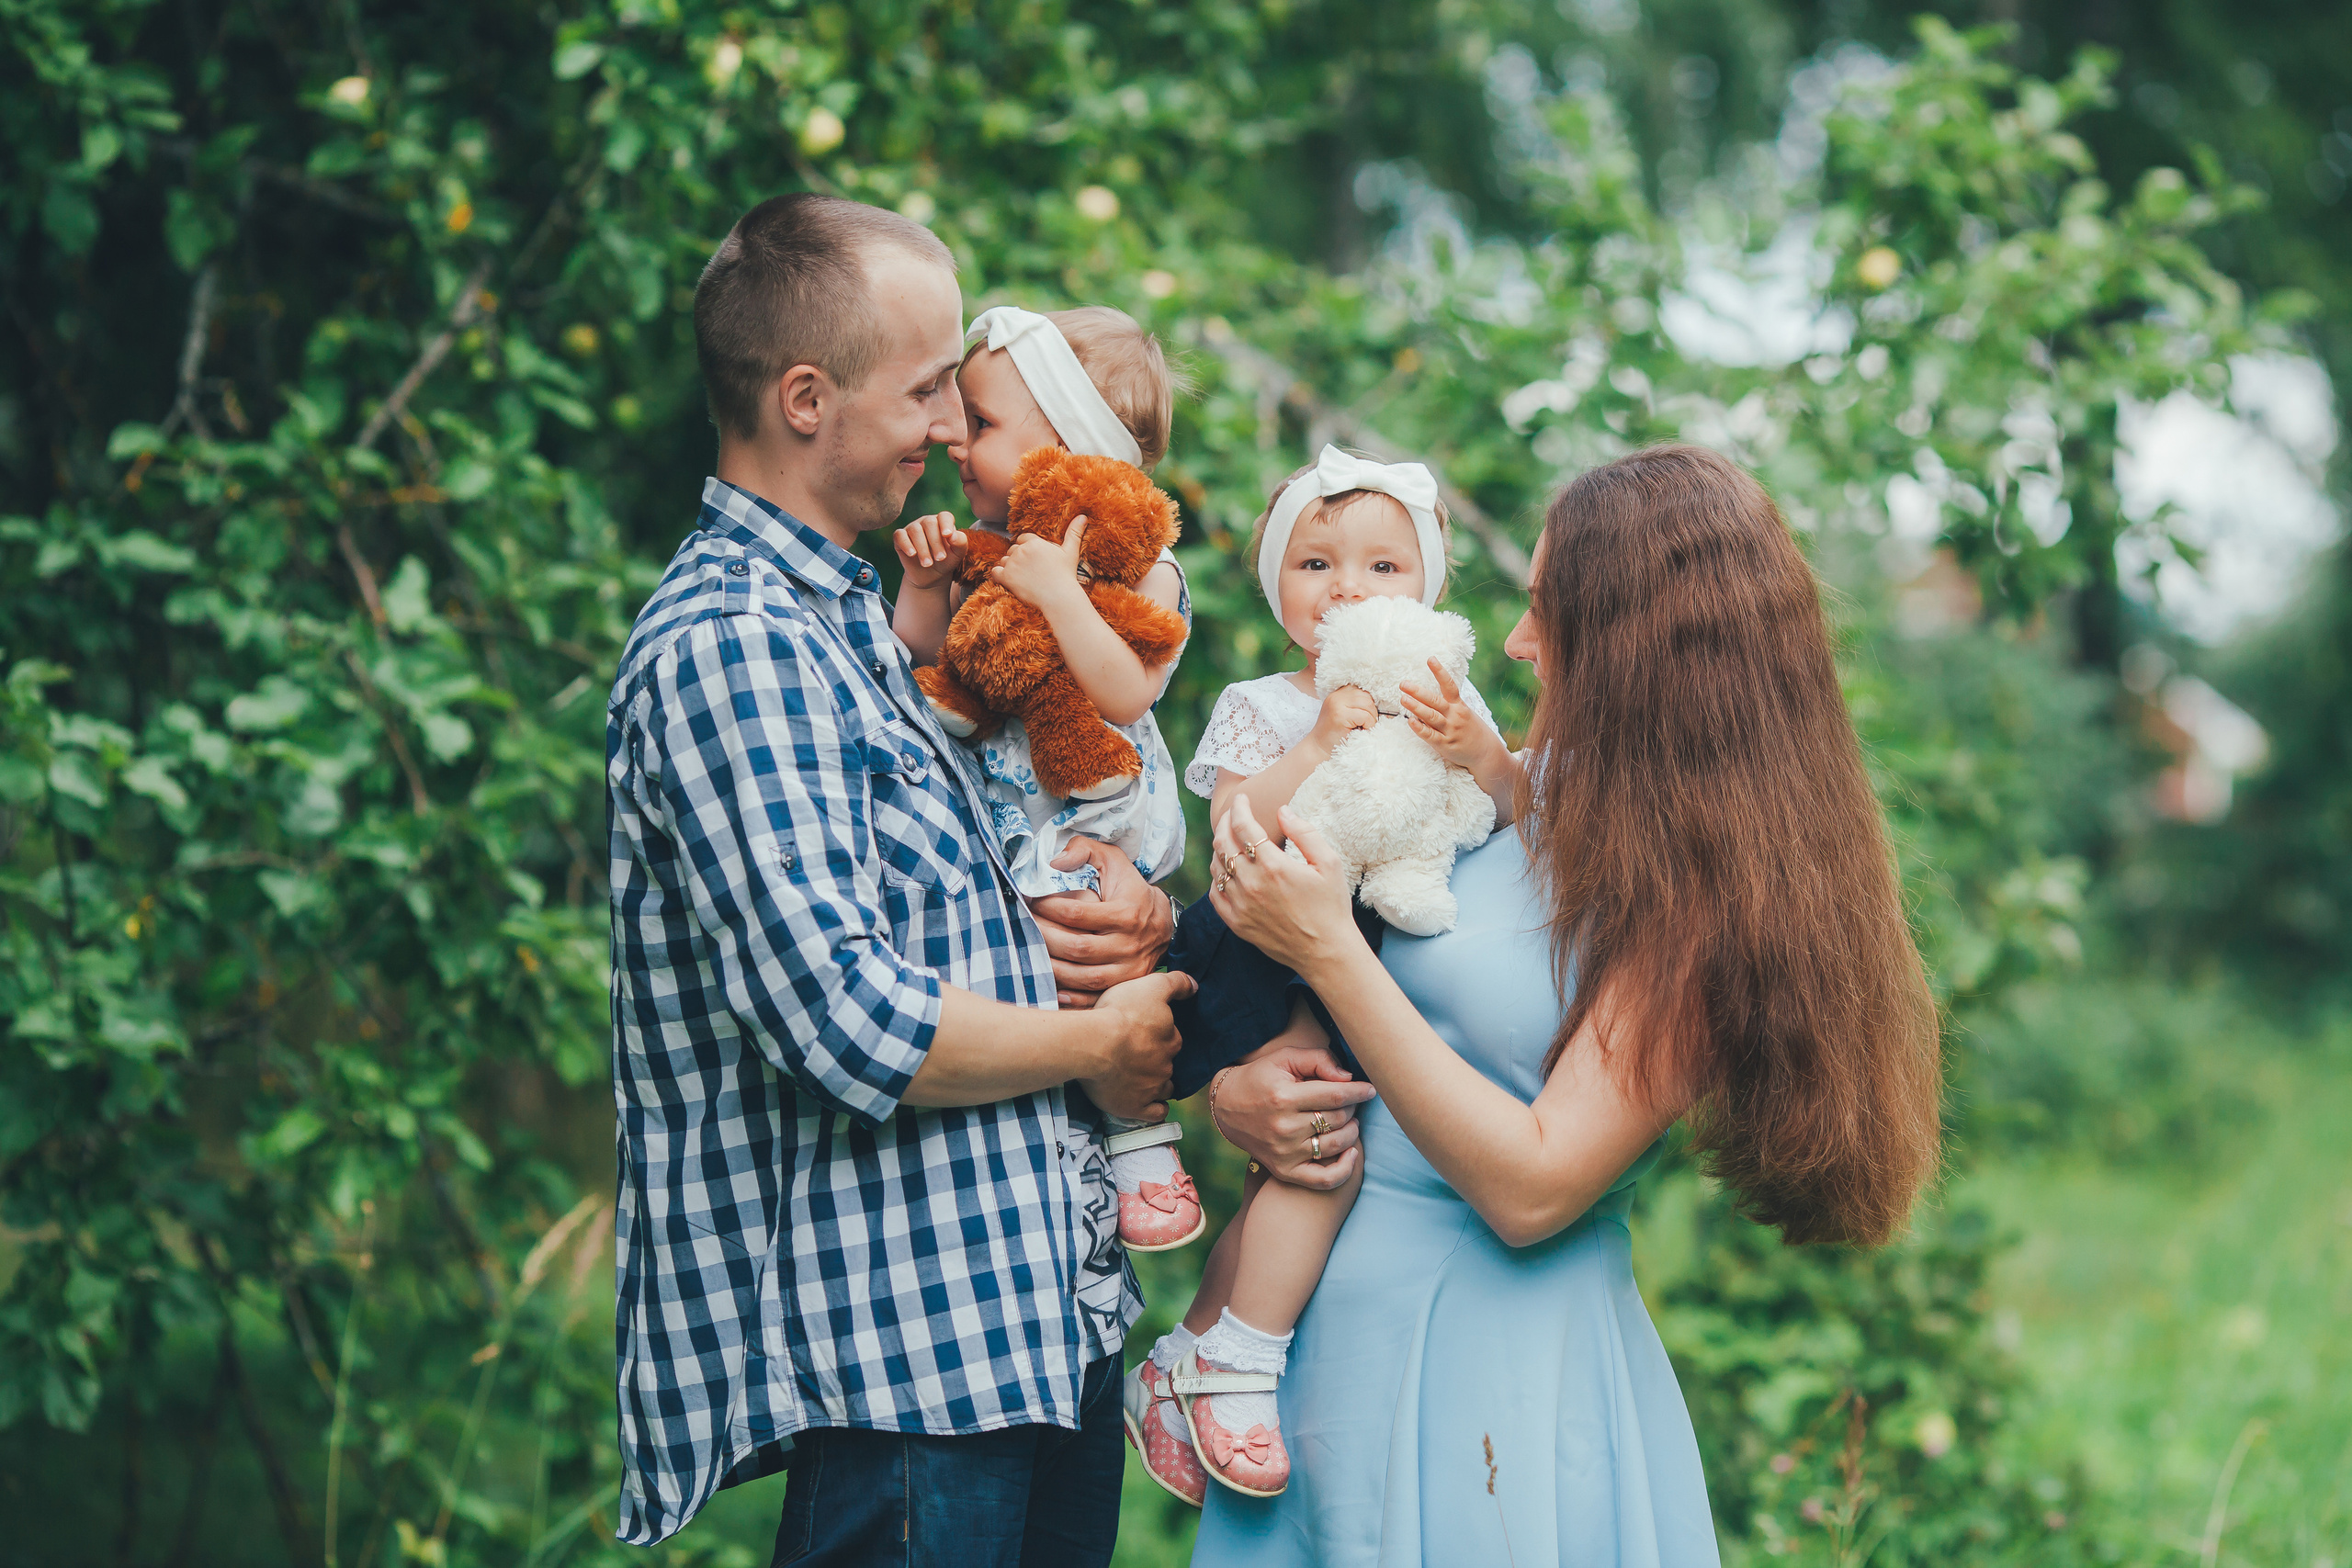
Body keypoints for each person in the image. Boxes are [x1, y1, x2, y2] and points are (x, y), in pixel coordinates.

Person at [1196, 444, 1945, 1565]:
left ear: (1634, 643)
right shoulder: (1523, 792)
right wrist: (1244, 1089)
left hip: (1494, 1376)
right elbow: (1367, 998)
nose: (1513, 640)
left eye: (1545, 609)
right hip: (1318, 1356)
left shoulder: (1706, 899)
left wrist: (1328, 955)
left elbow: (1536, 1187)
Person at [605, 192, 1192, 1567]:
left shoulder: (861, 622)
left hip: (1031, 1326)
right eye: (927, 389)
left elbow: (993, 887)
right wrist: (1102, 1043)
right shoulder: (734, 645)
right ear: (806, 399)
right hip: (910, 1369)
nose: (948, 427)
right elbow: (847, 1016)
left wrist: (1137, 910)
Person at [1124, 446, 1522, 1506]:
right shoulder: (1263, 702)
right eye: (1316, 564)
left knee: (1294, 1166)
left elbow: (1514, 815)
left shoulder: (1449, 698)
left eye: (1383, 567)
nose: (1347, 587)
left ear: (1426, 589)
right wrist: (1316, 745)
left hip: (1371, 953)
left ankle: (1186, 1355)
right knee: (1320, 1156)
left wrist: (1479, 753)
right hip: (1265, 945)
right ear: (1279, 590)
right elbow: (1235, 829)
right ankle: (1240, 1362)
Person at [889, 303, 1206, 1254]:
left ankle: (1144, 1150)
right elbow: (926, 666)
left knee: (1102, 979)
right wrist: (925, 584)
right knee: (1030, 992)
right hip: (1000, 819)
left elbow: (1124, 690)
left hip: (1090, 818)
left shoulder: (1146, 568)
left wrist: (1060, 592)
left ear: (1064, 447)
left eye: (980, 422)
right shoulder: (987, 549)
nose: (954, 438)